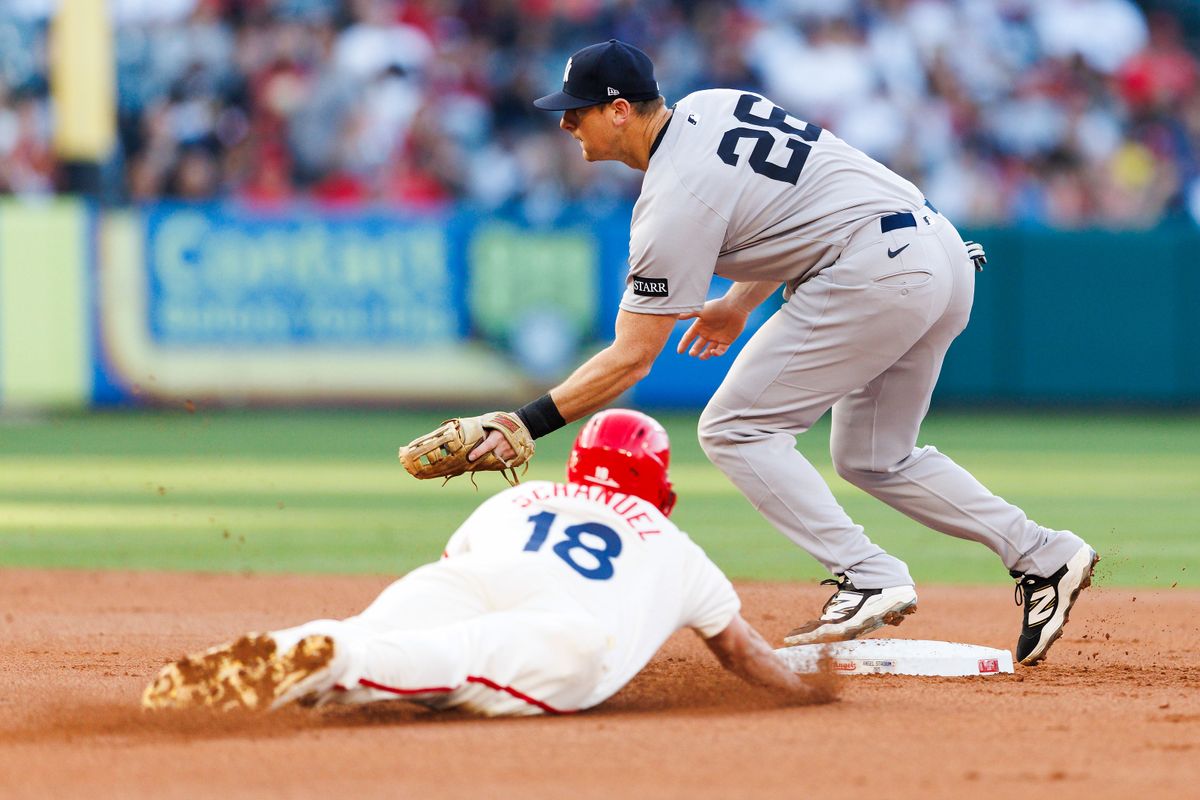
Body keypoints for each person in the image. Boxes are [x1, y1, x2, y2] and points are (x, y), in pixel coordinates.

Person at [467, 39, 1097, 666]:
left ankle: (867, 575)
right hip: (941, 254)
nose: (567, 122)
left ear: (622, 110)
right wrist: (739, 305)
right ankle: (1044, 555)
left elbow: (632, 358)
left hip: (874, 269)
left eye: (577, 109)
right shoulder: (714, 105)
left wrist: (523, 421)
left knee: (736, 428)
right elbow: (798, 208)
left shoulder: (671, 201)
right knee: (873, 456)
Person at [142, 409, 834, 715]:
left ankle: (284, 650)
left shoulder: (528, 493)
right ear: (664, 492)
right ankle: (330, 665)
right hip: (564, 633)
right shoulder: (673, 544)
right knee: (450, 663)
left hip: (468, 576)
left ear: (576, 467)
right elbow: (742, 655)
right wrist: (810, 696)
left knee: (375, 627)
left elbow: (454, 567)